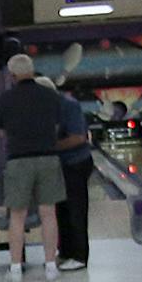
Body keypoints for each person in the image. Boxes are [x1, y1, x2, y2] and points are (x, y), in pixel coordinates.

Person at [0, 52, 61, 282]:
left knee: (17, 215)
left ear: (12, 75)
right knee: (48, 213)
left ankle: (15, 269)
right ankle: (51, 266)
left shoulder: (5, 99)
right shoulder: (50, 95)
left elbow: (1, 131)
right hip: (48, 158)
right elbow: (57, 124)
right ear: (32, 71)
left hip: (18, 160)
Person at [46, 76, 93, 272]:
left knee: (75, 210)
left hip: (76, 163)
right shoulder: (50, 106)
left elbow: (78, 138)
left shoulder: (69, 105)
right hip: (61, 164)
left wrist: (48, 147)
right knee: (62, 210)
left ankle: (79, 256)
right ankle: (65, 252)